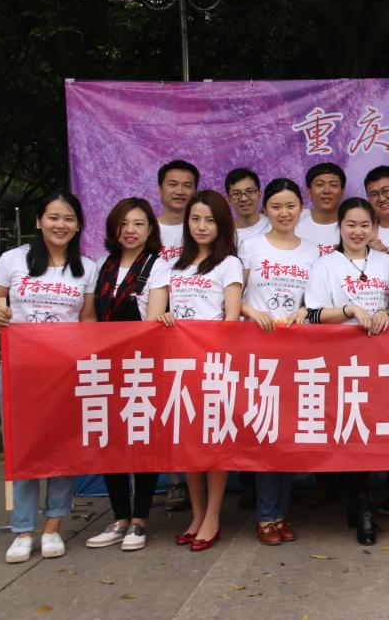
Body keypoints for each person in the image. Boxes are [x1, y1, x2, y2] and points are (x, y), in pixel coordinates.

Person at [0, 190, 98, 563]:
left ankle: (53, 527)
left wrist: (87, 357)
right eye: (53, 217)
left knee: (60, 448)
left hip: (64, 372)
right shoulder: (13, 260)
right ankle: (22, 530)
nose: (60, 225)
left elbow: (88, 319)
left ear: (78, 226)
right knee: (23, 447)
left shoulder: (87, 268)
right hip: (20, 369)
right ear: (38, 221)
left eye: (68, 219)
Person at [149, 190, 242, 551]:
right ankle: (197, 514)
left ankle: (213, 516)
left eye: (210, 220)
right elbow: (154, 316)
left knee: (214, 442)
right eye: (195, 219)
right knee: (188, 442)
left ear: (222, 225)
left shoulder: (229, 264)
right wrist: (164, 319)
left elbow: (231, 319)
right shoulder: (169, 265)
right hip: (177, 365)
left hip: (213, 365)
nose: (202, 226)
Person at [305, 197, 389, 545]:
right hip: (341, 361)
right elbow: (312, 314)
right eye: (351, 225)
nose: (358, 232)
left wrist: (388, 313)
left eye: (365, 225)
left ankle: (363, 503)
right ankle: (361, 507)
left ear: (375, 227)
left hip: (384, 360)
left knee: (376, 429)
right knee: (351, 429)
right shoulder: (324, 265)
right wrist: (349, 310)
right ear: (339, 226)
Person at [84, 198, 170, 552]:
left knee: (143, 441)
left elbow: (152, 322)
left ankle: (140, 519)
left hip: (141, 365)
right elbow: (89, 315)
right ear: (113, 228)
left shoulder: (158, 266)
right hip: (104, 365)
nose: (130, 230)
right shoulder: (102, 266)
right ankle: (119, 517)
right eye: (124, 223)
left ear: (150, 230)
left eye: (138, 224)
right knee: (111, 441)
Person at [237, 178, 318, 545]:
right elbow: (233, 295)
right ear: (265, 209)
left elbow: (316, 300)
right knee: (267, 434)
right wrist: (252, 312)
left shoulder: (313, 251)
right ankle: (266, 516)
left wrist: (305, 311)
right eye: (276, 206)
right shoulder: (250, 246)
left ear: (301, 208)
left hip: (297, 355)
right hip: (259, 352)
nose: (284, 213)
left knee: (288, 435)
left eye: (290, 206)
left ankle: (281, 513)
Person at [154, 159, 199, 512]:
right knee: (166, 406)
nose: (180, 191)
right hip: (158, 327)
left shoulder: (201, 226)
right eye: (173, 184)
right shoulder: (148, 229)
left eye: (187, 185)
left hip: (196, 333)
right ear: (160, 189)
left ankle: (200, 477)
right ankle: (174, 482)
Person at [296, 161, 345, 256]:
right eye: (319, 185)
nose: (326, 191)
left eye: (333, 185)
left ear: (342, 192)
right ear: (309, 192)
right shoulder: (295, 228)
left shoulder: (353, 227)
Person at [225, 167, 270, 244]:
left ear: (259, 194)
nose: (244, 199)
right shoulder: (225, 236)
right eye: (236, 194)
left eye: (250, 191)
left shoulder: (273, 223)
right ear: (229, 200)